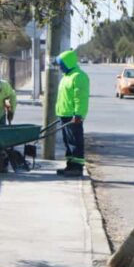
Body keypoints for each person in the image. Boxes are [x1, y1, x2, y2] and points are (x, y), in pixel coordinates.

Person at [55, 49, 90, 177]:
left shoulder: (78, 76)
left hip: (73, 116)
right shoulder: (67, 76)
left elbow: (80, 98)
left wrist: (78, 114)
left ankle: (77, 168)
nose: (60, 67)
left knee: (74, 142)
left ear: (67, 63)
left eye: (61, 65)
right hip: (64, 114)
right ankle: (70, 166)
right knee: (68, 142)